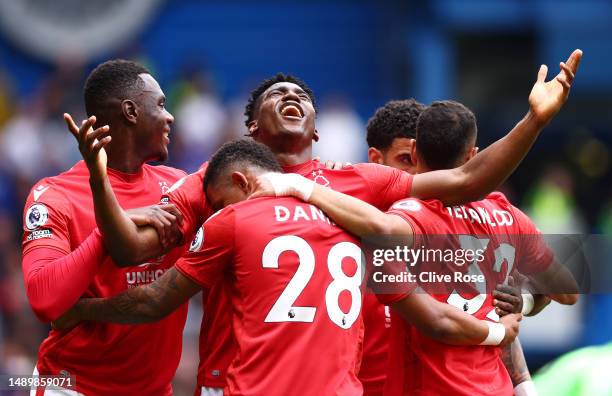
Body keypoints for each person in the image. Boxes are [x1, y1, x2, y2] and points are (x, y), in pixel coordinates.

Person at [65, 49, 582, 394]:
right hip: (232, 381)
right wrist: (100, 188)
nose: (292, 97)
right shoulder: (214, 180)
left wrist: (535, 119)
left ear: (316, 131)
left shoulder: (358, 182)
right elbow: (134, 251)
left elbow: (466, 183)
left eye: (302, 96)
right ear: (251, 127)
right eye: (277, 94)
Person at [53, 139, 522, 396]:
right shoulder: (356, 216)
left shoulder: (232, 220)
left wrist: (85, 310)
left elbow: (153, 296)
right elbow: (562, 283)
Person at [251, 100, 579, 396]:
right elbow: (563, 291)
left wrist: (300, 186)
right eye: (400, 162)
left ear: (417, 152)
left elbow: (448, 318)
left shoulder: (405, 221)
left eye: (410, 160)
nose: (406, 173)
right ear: (472, 156)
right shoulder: (502, 213)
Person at [21, 60, 188, 395]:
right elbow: (43, 300)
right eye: (160, 104)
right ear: (130, 111)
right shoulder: (54, 195)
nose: (170, 117)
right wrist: (106, 232)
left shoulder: (179, 188)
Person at [362, 99, 550, 396]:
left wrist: (524, 382)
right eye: (403, 162)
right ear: (375, 160)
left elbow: (518, 303)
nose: (414, 175)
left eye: (412, 161)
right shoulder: (355, 231)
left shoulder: (414, 223)